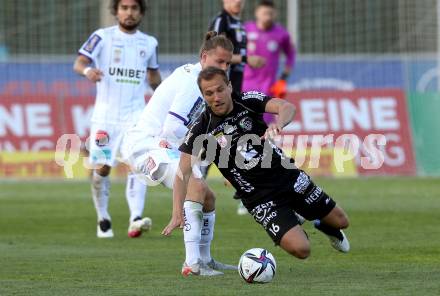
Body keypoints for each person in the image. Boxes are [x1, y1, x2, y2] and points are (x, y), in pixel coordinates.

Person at [162, 67, 350, 261]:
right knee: (302, 250)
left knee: (342, 221)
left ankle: (325, 225)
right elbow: (182, 173)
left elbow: (287, 107)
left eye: (220, 90)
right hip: (259, 198)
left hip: (287, 176)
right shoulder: (201, 127)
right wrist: (177, 213)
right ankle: (295, 220)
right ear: (203, 96)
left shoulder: (247, 100)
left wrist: (278, 124)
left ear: (229, 86)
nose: (216, 97)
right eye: (209, 93)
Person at [120, 32, 236, 276]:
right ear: (204, 57)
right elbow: (173, 128)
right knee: (195, 186)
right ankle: (192, 264)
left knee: (208, 197)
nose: (224, 67)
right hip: (146, 145)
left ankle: (205, 260)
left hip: (162, 145)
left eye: (228, 63)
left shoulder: (202, 80)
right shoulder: (192, 82)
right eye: (219, 62)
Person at [73, 0, 162, 238]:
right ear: (116, 11)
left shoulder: (150, 43)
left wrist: (163, 98)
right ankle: (103, 217)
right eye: (124, 8)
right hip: (105, 118)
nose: (129, 12)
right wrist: (88, 71)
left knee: (138, 165)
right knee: (102, 169)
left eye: (134, 8)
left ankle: (135, 217)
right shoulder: (101, 37)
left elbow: (153, 77)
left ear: (141, 12)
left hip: (135, 117)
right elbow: (79, 62)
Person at [242, 0, 295, 125]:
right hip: (246, 83)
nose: (267, 16)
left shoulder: (281, 33)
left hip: (268, 85)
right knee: (244, 120)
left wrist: (283, 78)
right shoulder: (246, 29)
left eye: (270, 13)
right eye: (264, 13)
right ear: (257, 13)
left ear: (275, 14)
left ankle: (264, 144)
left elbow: (291, 55)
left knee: (264, 123)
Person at [209, 0, 265, 94]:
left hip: (236, 81)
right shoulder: (222, 20)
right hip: (221, 84)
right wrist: (245, 59)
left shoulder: (238, 22)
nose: (238, 1)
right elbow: (215, 54)